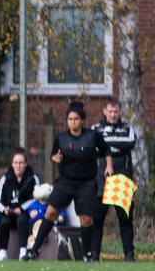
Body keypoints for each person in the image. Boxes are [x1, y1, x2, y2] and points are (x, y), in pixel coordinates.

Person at [25, 101, 108, 261]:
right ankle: (34, 250)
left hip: (86, 183)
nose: (73, 122)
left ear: (81, 120)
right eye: (70, 119)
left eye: (76, 119)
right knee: (50, 212)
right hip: (65, 182)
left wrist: (109, 166)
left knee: (86, 219)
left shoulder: (91, 136)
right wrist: (54, 158)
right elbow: (53, 154)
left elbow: (106, 150)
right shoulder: (62, 138)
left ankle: (87, 254)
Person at [90, 98, 137, 262]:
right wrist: (115, 146)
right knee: (97, 220)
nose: (113, 114)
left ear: (120, 112)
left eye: (116, 111)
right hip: (101, 180)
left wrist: (104, 145)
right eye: (110, 111)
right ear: (104, 111)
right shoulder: (95, 129)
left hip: (122, 179)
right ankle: (94, 254)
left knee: (125, 220)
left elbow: (130, 142)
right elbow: (92, 145)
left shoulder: (127, 129)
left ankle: (129, 254)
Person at [0, 146, 40, 261]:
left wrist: (22, 208)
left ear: (26, 164)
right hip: (8, 212)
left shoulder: (33, 179)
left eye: (21, 163)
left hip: (24, 212)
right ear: (12, 164)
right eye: (16, 163)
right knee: (4, 222)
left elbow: (36, 197)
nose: (18, 166)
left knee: (22, 220)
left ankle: (23, 251)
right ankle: (2, 251)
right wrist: (4, 209)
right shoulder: (5, 178)